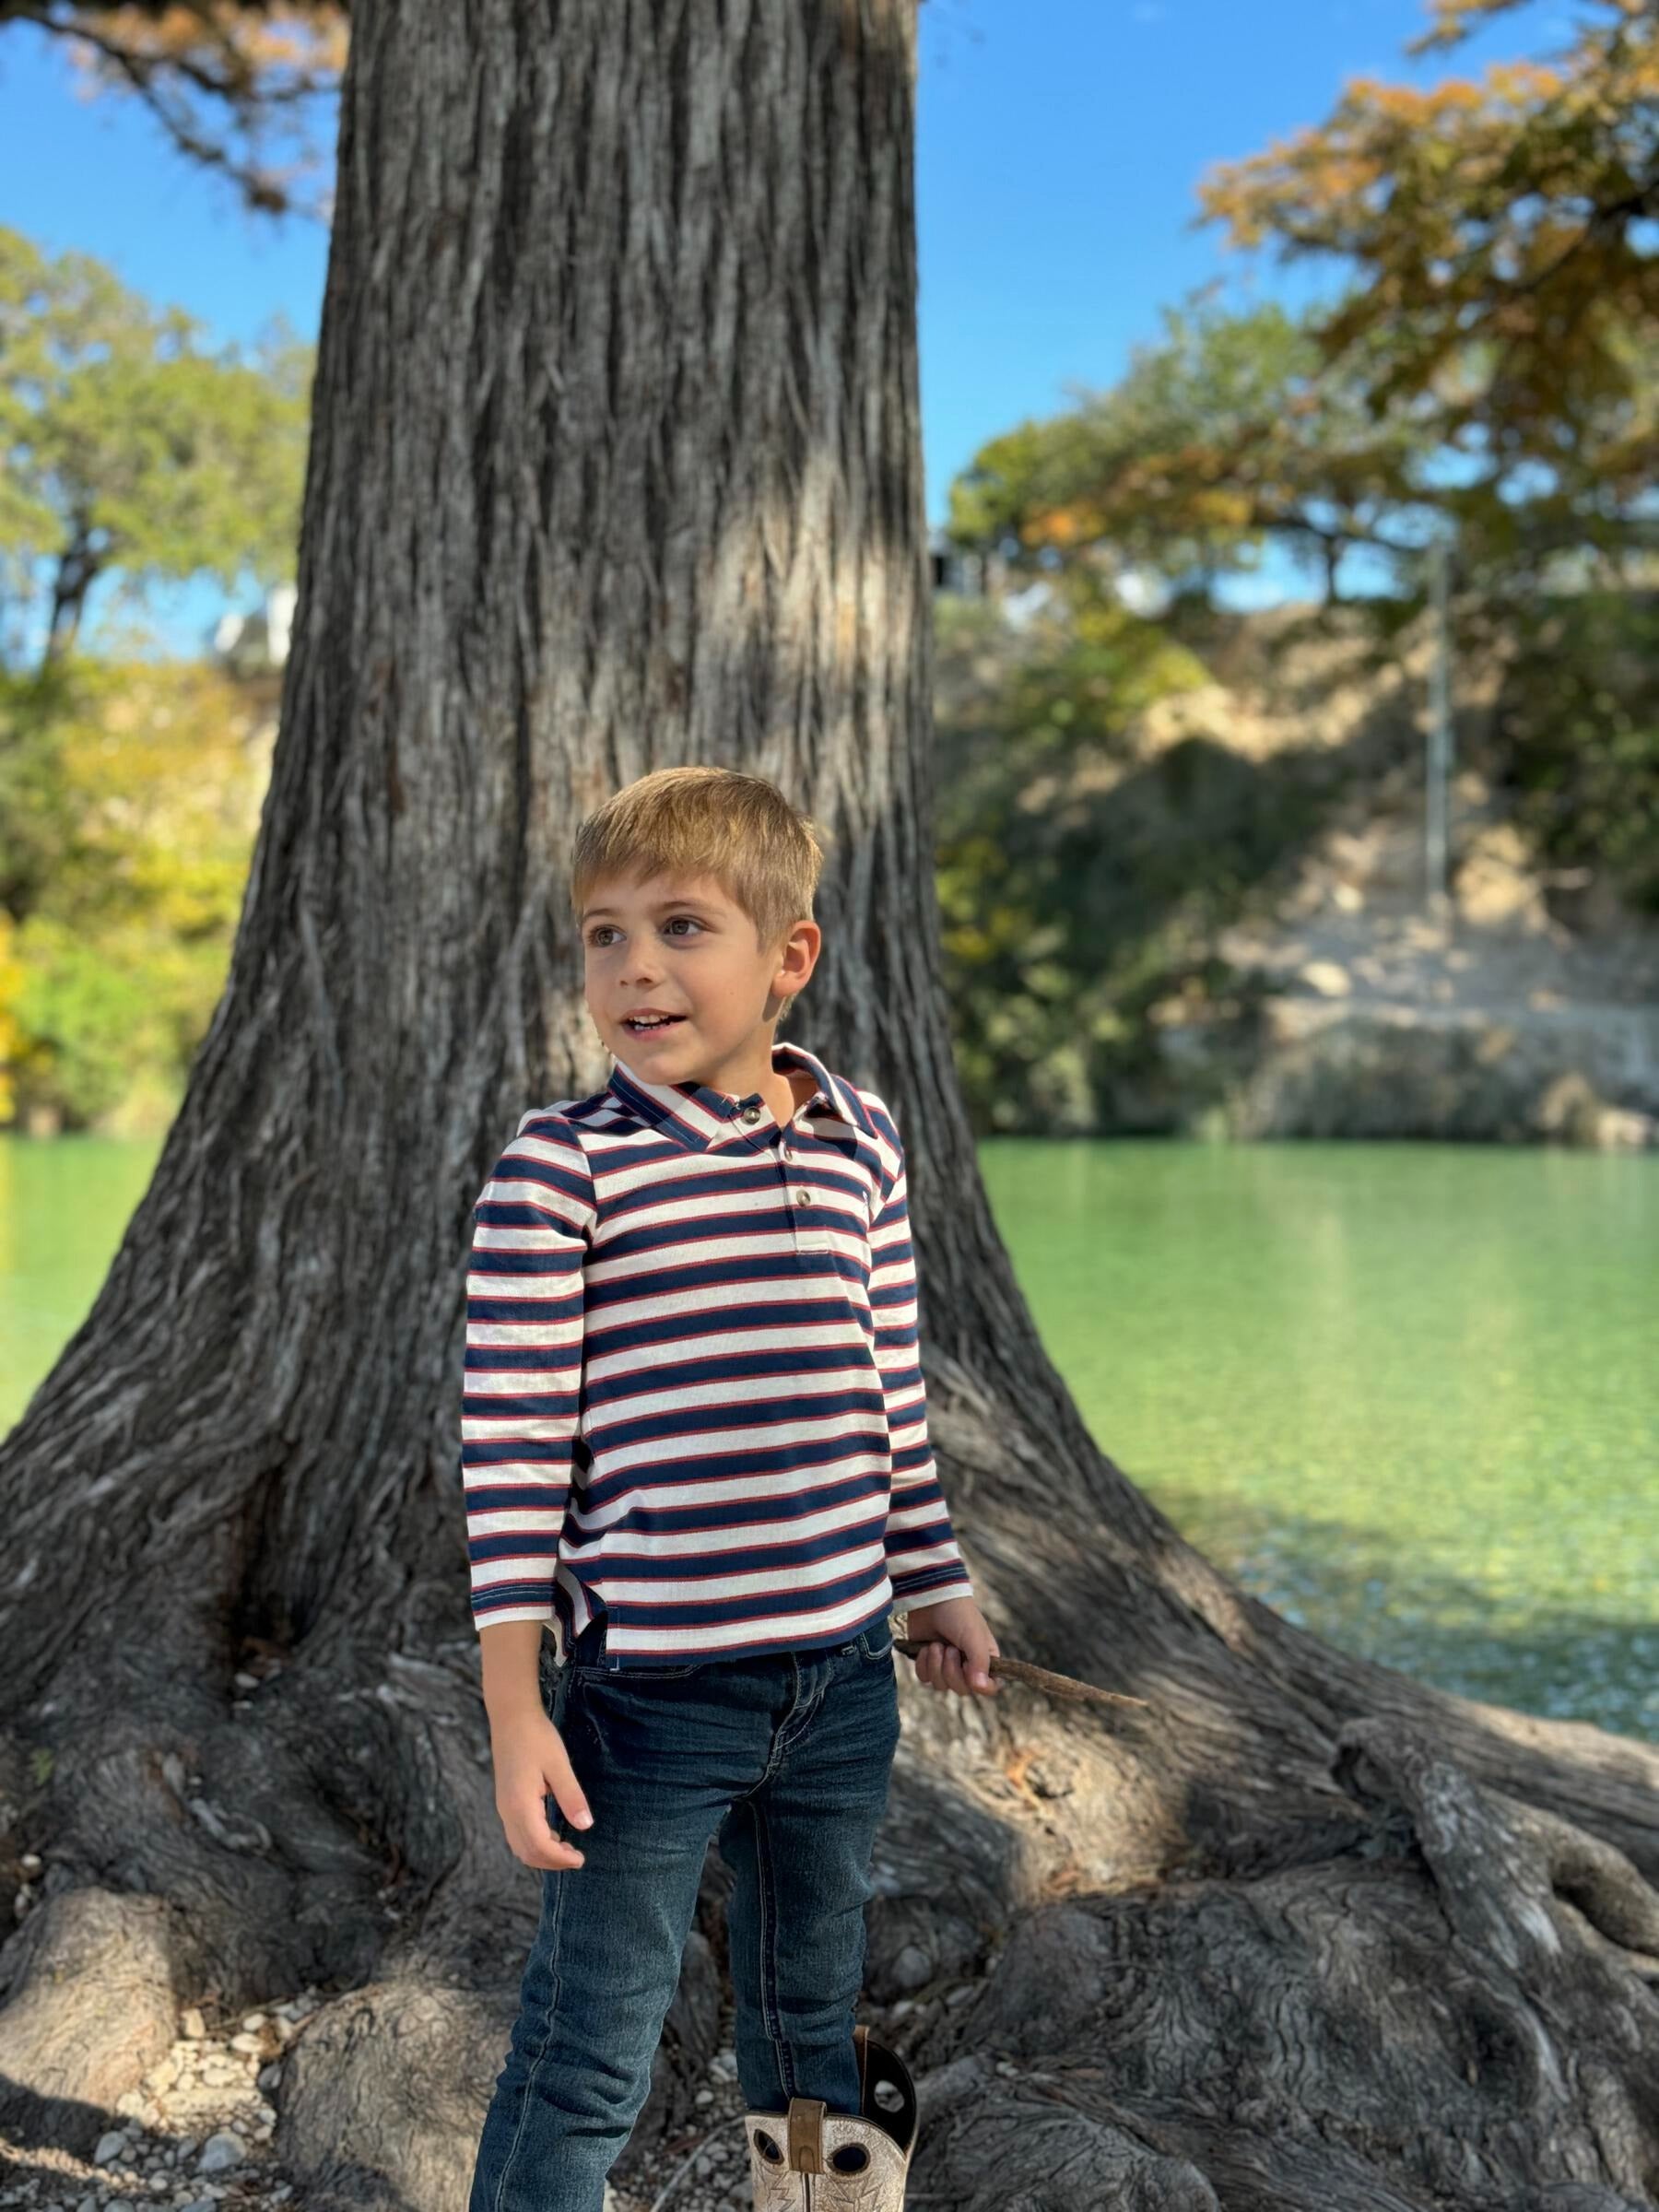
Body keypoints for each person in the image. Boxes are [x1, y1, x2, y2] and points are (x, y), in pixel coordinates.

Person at [463, 763, 999, 2212]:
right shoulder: (563, 1170)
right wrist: (518, 1710)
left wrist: (933, 1580)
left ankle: (817, 2196)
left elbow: (891, 1390)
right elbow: (509, 1458)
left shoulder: (861, 1139)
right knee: (592, 2047)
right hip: (649, 1700)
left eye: (682, 926)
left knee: (809, 2011)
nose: (635, 966)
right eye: (603, 934)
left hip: (841, 1675)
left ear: (788, 956)